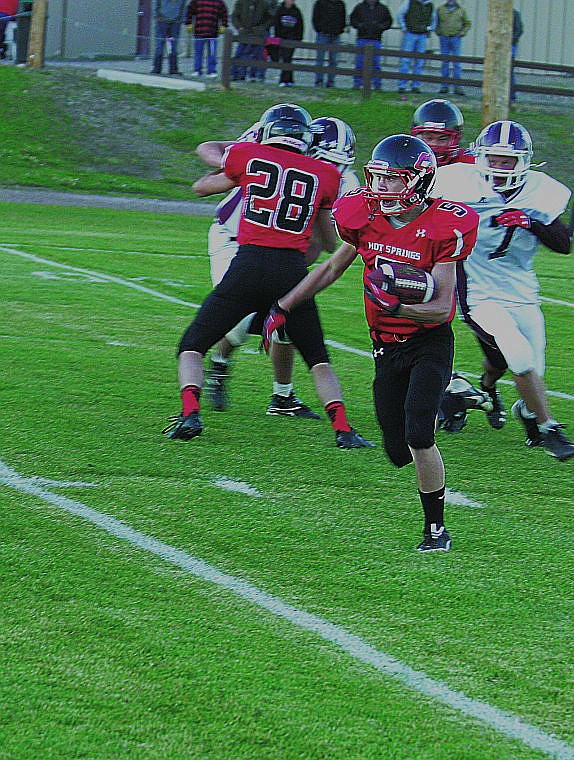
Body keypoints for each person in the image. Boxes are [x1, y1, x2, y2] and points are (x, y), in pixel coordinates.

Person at [262, 134, 479, 551]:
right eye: (377, 177)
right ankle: (453, 398)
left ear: (418, 181)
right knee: (397, 450)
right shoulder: (361, 215)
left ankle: (436, 528)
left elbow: (441, 310)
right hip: (384, 345)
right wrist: (284, 305)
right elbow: (330, 268)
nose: (381, 187)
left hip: (429, 341)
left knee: (419, 434)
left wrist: (397, 306)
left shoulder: (446, 225)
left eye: (392, 179)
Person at [165, 105, 373, 450]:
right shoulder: (326, 175)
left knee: (191, 346)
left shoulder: (249, 155)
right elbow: (328, 241)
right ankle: (343, 429)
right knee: (318, 358)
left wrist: (234, 176)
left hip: (246, 265)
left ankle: (190, 412)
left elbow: (201, 187)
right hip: (292, 273)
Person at [432, 120, 574, 461]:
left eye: (507, 161)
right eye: (493, 159)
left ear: (524, 161)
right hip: (479, 290)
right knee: (518, 356)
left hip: (523, 291)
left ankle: (525, 412)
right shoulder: (456, 181)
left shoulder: (542, 191)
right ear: (480, 157)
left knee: (533, 372)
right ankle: (549, 429)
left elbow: (565, 244)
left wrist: (531, 221)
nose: (499, 168)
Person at [196, 109, 359, 419]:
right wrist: (230, 166)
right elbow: (209, 148)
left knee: (286, 316)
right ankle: (220, 363)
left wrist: (291, 272)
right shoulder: (268, 150)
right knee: (241, 318)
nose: (331, 169)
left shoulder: (341, 181)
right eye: (326, 160)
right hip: (233, 239)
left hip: (282, 251)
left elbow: (322, 244)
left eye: (338, 164)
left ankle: (282, 397)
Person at [410, 98, 494, 433]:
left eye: (441, 138)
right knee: (422, 318)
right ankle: (450, 387)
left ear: (455, 138)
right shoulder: (409, 156)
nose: (433, 144)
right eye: (427, 136)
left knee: (478, 324)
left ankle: (473, 384)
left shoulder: (473, 165)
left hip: (473, 255)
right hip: (424, 248)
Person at [349, 0, 392, 91]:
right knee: (359, 63)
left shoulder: (383, 8)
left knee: (376, 64)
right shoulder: (360, 7)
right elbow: (353, 19)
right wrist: (360, 26)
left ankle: (377, 84)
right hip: (362, 38)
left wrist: (380, 27)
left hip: (376, 39)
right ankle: (357, 83)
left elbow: (388, 21)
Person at [396, 0, 436, 98]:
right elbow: (399, 14)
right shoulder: (409, 2)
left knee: (420, 61)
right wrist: (404, 27)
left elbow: (434, 19)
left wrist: (429, 28)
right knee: (405, 60)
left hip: (422, 35)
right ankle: (402, 85)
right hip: (410, 34)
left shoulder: (430, 5)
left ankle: (415, 85)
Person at [230, 0, 273, 82]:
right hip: (244, 33)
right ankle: (236, 74)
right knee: (240, 53)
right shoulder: (241, 2)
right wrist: (240, 27)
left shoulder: (264, 3)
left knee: (257, 55)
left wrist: (261, 28)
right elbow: (235, 16)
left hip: (258, 34)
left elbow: (270, 19)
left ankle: (254, 75)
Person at [435, 0, 471, 95]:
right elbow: (436, 22)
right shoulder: (440, 9)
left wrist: (462, 33)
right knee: (445, 62)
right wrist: (439, 32)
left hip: (456, 38)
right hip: (444, 38)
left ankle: (457, 87)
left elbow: (467, 23)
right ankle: (444, 86)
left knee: (457, 63)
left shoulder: (461, 10)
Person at [185, 0, 228, 78]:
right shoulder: (196, 1)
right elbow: (189, 11)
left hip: (213, 33)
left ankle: (211, 71)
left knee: (212, 53)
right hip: (199, 32)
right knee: (198, 53)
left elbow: (224, 14)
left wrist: (224, 25)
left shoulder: (219, 2)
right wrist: (189, 23)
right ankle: (197, 70)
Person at [311, 0, 346, 88]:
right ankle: (319, 81)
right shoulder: (320, 2)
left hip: (335, 35)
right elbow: (315, 18)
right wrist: (319, 29)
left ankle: (331, 82)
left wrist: (339, 30)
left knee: (333, 60)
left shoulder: (340, 3)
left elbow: (343, 19)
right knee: (320, 59)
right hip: (323, 34)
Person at [151, 0, 188, 75]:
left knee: (173, 46)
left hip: (175, 23)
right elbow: (155, 4)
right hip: (162, 22)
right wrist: (156, 17)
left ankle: (173, 69)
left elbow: (184, 7)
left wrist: (182, 19)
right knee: (159, 45)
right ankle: (157, 68)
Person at [273, 0, 303, 87]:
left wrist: (298, 38)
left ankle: (285, 79)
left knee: (288, 57)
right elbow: (276, 24)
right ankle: (288, 79)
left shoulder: (296, 11)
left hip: (292, 38)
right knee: (285, 58)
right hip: (282, 38)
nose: (290, 2)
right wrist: (277, 37)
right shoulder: (280, 10)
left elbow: (300, 25)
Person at [511, 8, 523, 102]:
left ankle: (512, 96)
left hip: (511, 45)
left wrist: (511, 40)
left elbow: (519, 30)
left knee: (509, 70)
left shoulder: (514, 14)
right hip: (499, 45)